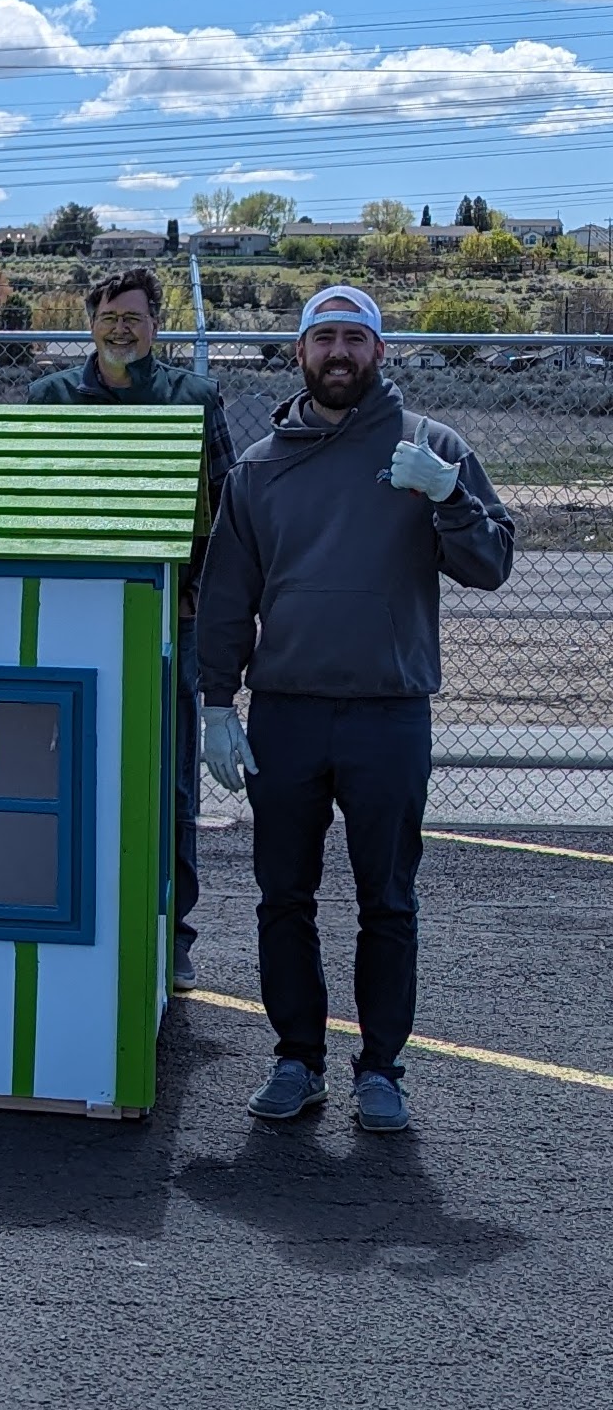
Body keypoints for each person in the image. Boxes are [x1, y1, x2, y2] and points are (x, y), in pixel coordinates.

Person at [198, 286, 515, 1133]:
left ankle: (381, 1067)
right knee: (283, 896)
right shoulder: (263, 466)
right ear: (299, 353)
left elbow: (491, 566)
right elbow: (229, 592)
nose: (339, 352)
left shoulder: (432, 448)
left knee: (389, 899)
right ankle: (297, 1058)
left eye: (355, 338)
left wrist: (450, 498)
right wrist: (214, 701)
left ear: (380, 352)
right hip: (290, 715)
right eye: (324, 337)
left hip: (389, 713)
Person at [29, 267, 235, 993]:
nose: (122, 330)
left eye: (135, 318)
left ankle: (172, 931)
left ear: (157, 326)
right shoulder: (49, 399)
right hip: (71, 621)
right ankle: (61, 911)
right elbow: (29, 510)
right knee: (59, 772)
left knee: (170, 784)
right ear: (90, 322)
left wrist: (194, 600)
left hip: (164, 624)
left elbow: (225, 512)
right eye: (109, 316)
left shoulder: (193, 398)